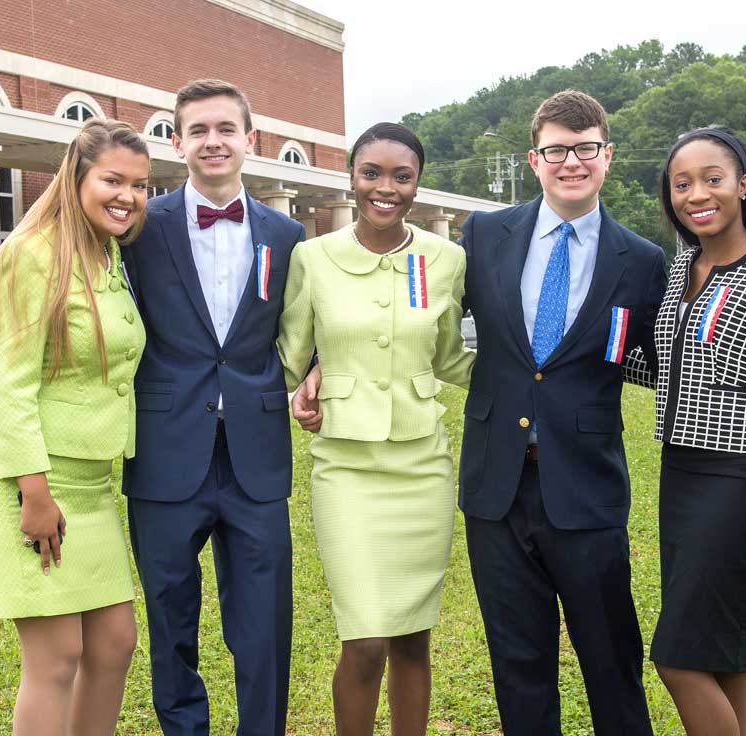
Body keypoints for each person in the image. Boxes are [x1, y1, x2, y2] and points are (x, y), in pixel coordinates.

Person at [456, 90, 664, 734]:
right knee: (518, 662)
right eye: (556, 151)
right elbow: (419, 317)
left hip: (586, 486)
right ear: (534, 158)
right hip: (496, 484)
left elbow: (666, 358)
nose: (570, 162)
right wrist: (321, 359)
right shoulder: (485, 234)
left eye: (584, 150)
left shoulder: (643, 260)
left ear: (607, 156)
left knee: (611, 659)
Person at [276, 122, 475, 736]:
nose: (385, 188)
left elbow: (447, 357)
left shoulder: (445, 260)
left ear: (418, 184)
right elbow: (289, 353)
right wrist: (308, 376)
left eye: (401, 176)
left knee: (414, 636)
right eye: (372, 174)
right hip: (347, 468)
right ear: (352, 178)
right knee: (365, 640)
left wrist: (538, 383)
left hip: (424, 465)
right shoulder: (312, 257)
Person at [121, 79, 305, 736]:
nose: (213, 140)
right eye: (197, 130)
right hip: (165, 453)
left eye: (225, 128)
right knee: (170, 624)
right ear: (177, 142)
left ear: (249, 140)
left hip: (256, 459)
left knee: (264, 629)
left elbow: (302, 330)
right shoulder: (141, 228)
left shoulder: (287, 235)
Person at [625, 126, 746, 736]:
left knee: (678, 659)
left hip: (740, 482)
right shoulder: (684, 266)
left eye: (712, 178)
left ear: (742, 183)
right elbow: (670, 366)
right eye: (682, 183)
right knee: (724, 661)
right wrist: (578, 346)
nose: (696, 194)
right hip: (681, 476)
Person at [0, 119, 149, 736]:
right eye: (113, 180)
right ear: (78, 176)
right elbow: (10, 382)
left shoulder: (111, 254)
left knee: (114, 644)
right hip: (31, 479)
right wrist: (34, 493)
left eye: (140, 185)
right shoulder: (33, 253)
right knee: (57, 657)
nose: (127, 196)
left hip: (94, 481)